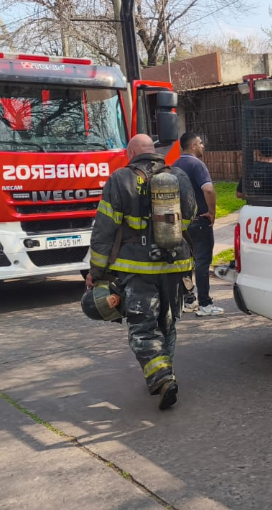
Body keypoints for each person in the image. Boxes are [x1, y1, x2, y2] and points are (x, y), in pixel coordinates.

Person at [86, 134, 197, 410]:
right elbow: (191, 214)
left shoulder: (119, 179)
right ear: (155, 152)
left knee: (142, 328)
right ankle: (166, 371)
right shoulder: (179, 176)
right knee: (168, 321)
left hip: (137, 268)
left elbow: (104, 230)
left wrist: (97, 272)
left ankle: (162, 376)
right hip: (176, 264)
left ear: (130, 153)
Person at [174, 132, 225, 316]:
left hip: (181, 224)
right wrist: (211, 213)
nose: (203, 146)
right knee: (203, 262)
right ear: (193, 146)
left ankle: (188, 300)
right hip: (199, 221)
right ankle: (205, 303)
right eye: (200, 143)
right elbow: (208, 190)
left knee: (185, 262)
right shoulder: (197, 164)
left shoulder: (175, 165)